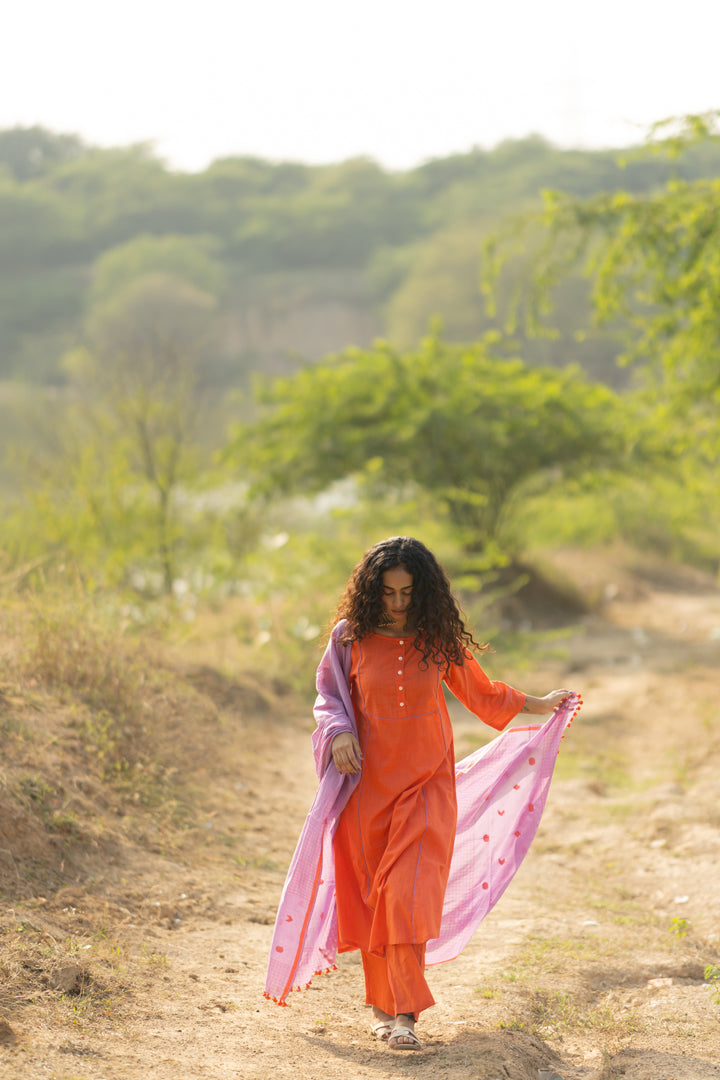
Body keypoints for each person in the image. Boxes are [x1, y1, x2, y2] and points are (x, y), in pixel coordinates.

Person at [264, 536, 579, 1053]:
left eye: (408, 592)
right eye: (388, 593)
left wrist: (539, 703)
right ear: (371, 591)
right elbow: (328, 696)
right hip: (367, 791)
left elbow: (481, 694)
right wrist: (339, 731)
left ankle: (405, 1016)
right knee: (374, 902)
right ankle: (381, 1010)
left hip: (428, 785)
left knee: (406, 896)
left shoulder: (437, 638)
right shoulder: (349, 638)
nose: (398, 603)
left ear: (424, 590)